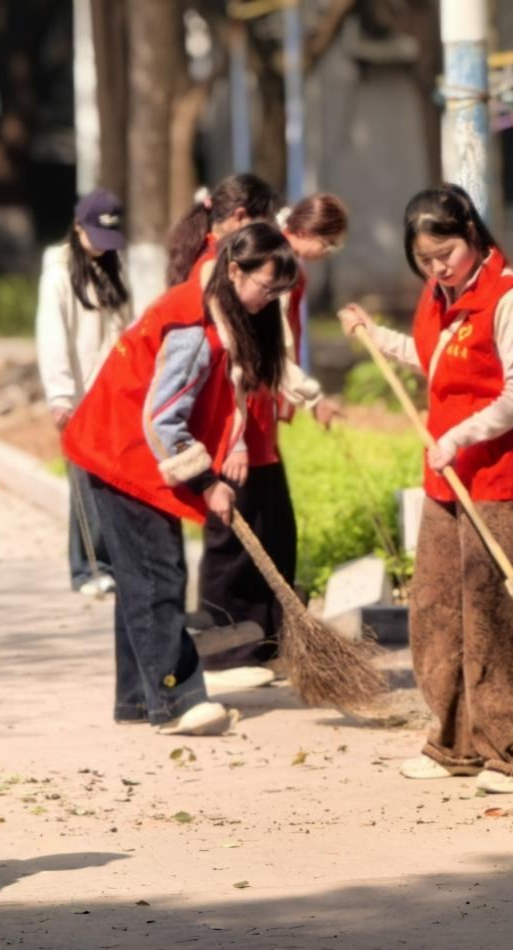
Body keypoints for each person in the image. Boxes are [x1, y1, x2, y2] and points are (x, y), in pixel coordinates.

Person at [338, 185, 513, 795]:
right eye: (425, 260)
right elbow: (434, 360)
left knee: (497, 621)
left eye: (445, 254)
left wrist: (459, 436)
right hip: (445, 483)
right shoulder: (438, 298)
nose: (436, 268)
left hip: (501, 482)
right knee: (438, 615)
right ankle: (453, 742)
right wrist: (375, 335)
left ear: (473, 233)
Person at [63, 223, 298, 736]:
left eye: (280, 292)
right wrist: (208, 481)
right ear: (235, 270)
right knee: (158, 574)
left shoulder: (222, 313)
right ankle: (175, 699)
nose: (270, 301)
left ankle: (138, 700)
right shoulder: (192, 326)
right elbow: (163, 419)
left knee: (140, 578)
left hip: (128, 447)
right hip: (121, 450)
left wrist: (229, 448)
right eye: (267, 288)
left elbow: (221, 398)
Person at [196, 193, 349, 690]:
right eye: (330, 242)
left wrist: (308, 397)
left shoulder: (278, 274)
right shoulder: (251, 276)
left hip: (258, 416)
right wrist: (235, 439)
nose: (329, 253)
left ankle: (265, 643)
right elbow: (237, 367)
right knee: (233, 538)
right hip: (230, 424)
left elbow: (272, 359)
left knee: (274, 528)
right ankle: (221, 654)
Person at [35, 188, 131, 596]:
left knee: (110, 481)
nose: (102, 247)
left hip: (114, 393)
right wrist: (60, 395)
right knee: (85, 482)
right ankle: (87, 569)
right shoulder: (58, 274)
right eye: (96, 236)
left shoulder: (109, 267)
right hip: (80, 396)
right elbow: (51, 335)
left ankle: (106, 562)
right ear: (77, 228)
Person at [165, 173, 279, 288]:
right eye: (261, 228)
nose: (263, 236)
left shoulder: (199, 247)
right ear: (239, 216)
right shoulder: (217, 264)